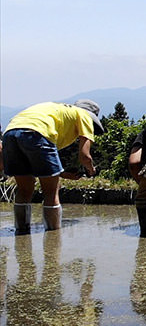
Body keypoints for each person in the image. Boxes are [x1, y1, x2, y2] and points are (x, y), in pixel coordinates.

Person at [2, 100, 104, 234]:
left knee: (24, 189)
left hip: (10, 133)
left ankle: (21, 231)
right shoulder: (83, 115)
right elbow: (85, 156)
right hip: (37, 133)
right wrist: (91, 170)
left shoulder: (57, 110)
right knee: (51, 191)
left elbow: (41, 161)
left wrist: (62, 173)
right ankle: (53, 235)